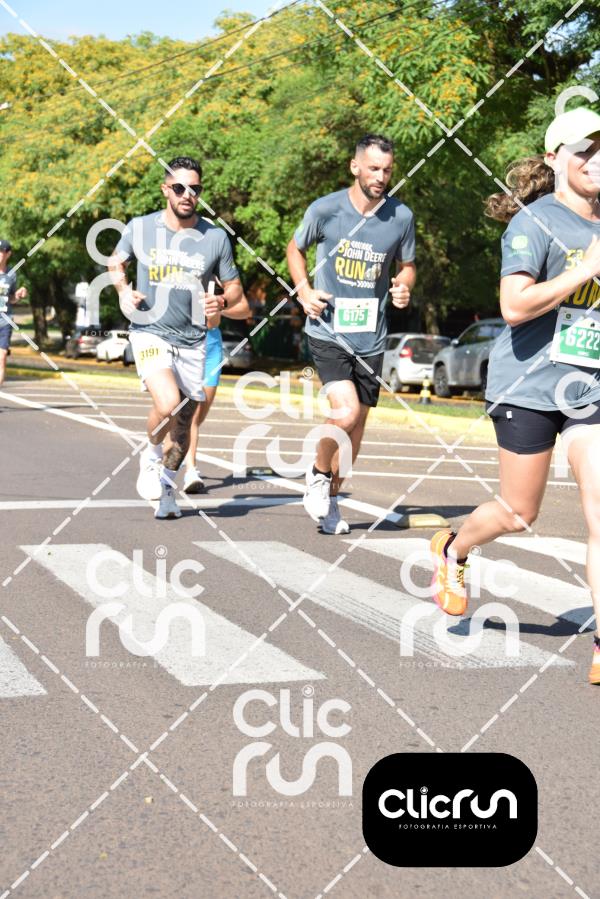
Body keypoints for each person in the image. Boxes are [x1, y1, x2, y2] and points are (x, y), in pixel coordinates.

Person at [429, 105, 600, 684]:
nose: (596, 159)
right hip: (527, 385)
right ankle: (453, 549)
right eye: (585, 149)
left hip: (588, 389)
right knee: (518, 512)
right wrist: (583, 271)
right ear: (556, 158)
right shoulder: (533, 223)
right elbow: (513, 306)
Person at [287, 133, 416, 534]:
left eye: (387, 170)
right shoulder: (326, 209)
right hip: (328, 329)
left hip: (371, 336)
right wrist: (304, 291)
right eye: (373, 168)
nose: (380, 177)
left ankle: (331, 502)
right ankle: (317, 474)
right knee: (346, 412)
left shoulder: (401, 217)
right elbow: (294, 249)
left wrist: (403, 286)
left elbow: (408, 265)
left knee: (355, 432)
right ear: (355, 166)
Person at [109, 155, 247, 519]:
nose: (188, 195)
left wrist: (221, 301)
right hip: (150, 331)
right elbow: (115, 262)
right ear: (165, 189)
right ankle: (151, 455)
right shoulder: (141, 227)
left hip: (194, 340)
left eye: (195, 189)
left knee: (184, 424)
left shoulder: (215, 237)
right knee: (169, 402)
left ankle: (168, 488)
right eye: (180, 188)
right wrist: (123, 291)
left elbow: (235, 290)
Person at [182, 282, 249, 493]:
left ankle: (179, 449)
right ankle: (190, 470)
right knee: (190, 415)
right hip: (183, 343)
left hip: (211, 346)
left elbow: (245, 309)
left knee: (198, 415)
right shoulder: (179, 272)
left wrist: (218, 306)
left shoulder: (221, 278)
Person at [0, 239, 28, 387]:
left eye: (1, 252)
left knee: (2, 356)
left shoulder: (11, 274)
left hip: (5, 320)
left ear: (8, 254)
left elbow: (11, 299)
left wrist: (18, 295)